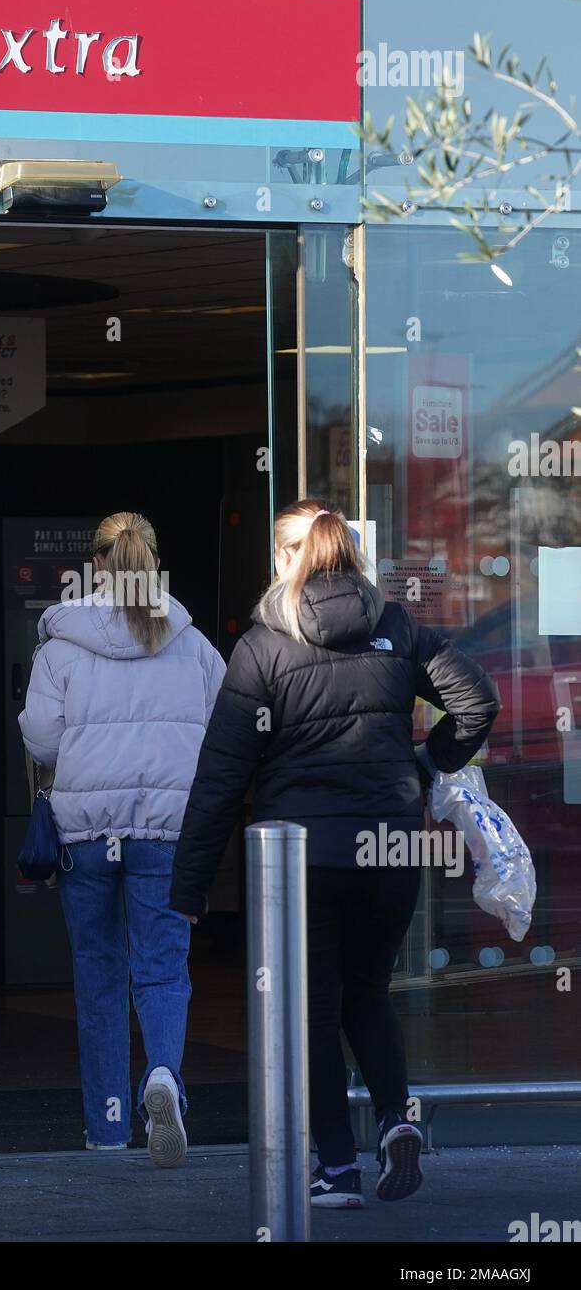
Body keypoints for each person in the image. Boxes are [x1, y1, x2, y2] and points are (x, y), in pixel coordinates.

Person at [169, 499, 500, 1206]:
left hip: (302, 861)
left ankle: (337, 1169)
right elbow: (478, 700)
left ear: (288, 558)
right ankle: (393, 1119)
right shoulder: (397, 626)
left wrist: (190, 886)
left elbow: (222, 775)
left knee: (313, 1006)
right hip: (389, 850)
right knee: (368, 992)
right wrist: (428, 763)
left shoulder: (264, 645)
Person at [19, 512, 225, 1166]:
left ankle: (105, 1131)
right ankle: (162, 1074)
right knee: (163, 969)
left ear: (97, 566)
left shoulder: (61, 643)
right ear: (154, 562)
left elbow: (41, 739)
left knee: (99, 976)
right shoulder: (192, 644)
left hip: (84, 833)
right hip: (164, 832)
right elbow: (227, 730)